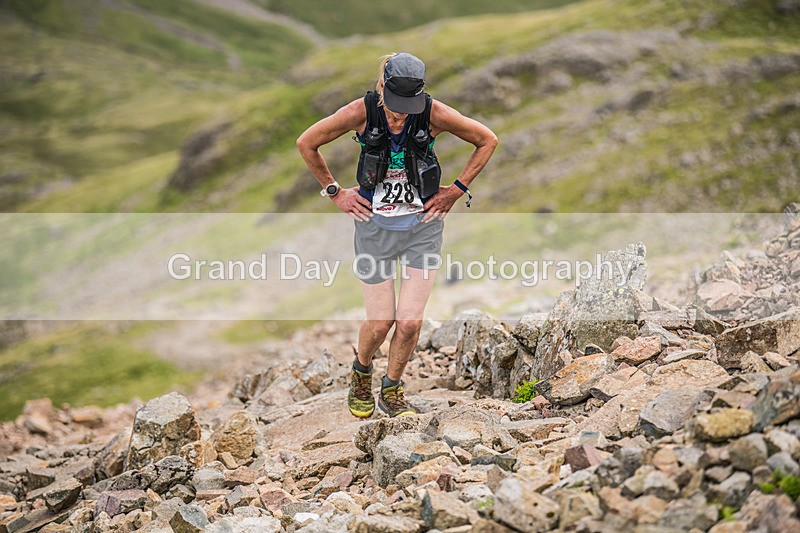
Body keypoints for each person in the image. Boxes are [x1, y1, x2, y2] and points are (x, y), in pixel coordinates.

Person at [296, 52, 497, 418]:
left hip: (423, 227)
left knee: (409, 323)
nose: (400, 114)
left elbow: (487, 140)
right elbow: (307, 142)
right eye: (394, 106)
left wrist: (457, 189)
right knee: (380, 323)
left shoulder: (433, 112)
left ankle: (392, 390)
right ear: (382, 87)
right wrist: (334, 191)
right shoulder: (361, 111)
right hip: (374, 229)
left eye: (407, 106)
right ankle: (361, 369)